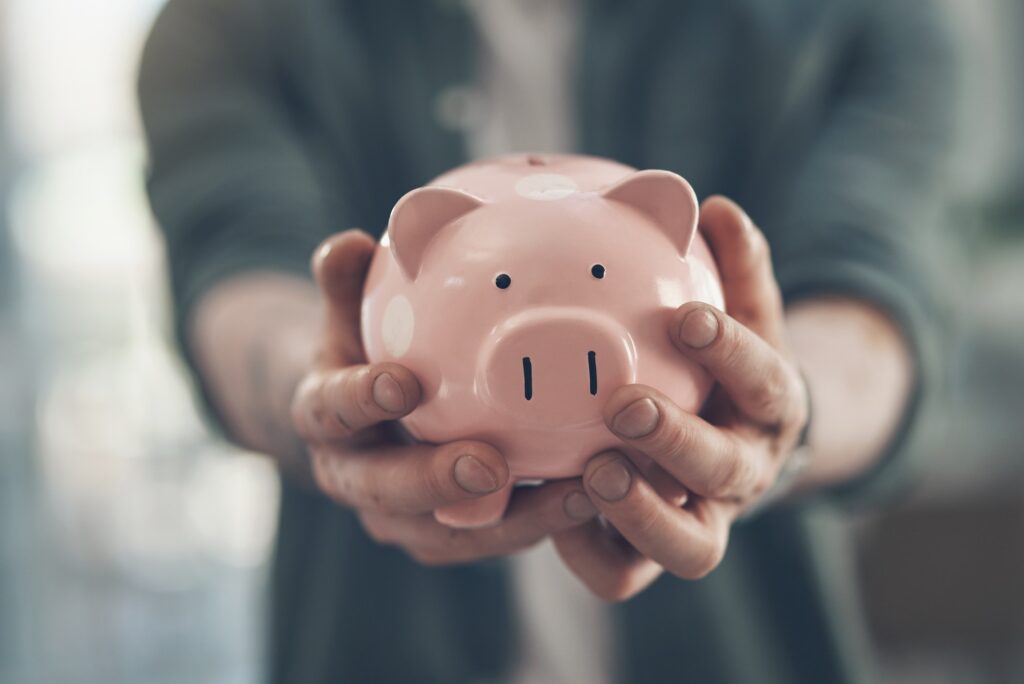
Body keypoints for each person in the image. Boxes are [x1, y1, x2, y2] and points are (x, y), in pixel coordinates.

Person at [138, 0, 957, 681]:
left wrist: (784, 410)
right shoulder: (230, 20)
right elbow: (240, 269)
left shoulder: (869, 16)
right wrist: (316, 395)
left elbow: (874, 289)